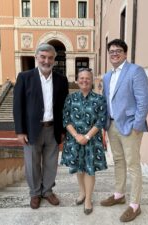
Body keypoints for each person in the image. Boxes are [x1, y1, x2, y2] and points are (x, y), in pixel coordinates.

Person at [100, 39, 148, 222]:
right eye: (111, 51)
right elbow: (107, 102)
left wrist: (137, 126)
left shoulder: (135, 71)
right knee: (119, 161)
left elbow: (144, 100)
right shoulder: (107, 77)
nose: (114, 53)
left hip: (130, 126)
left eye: (118, 50)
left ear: (125, 53)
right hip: (112, 125)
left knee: (133, 164)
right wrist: (105, 127)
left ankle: (135, 205)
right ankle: (119, 194)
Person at [13, 43, 69, 209]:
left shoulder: (61, 80)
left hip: (53, 128)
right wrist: (20, 131)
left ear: (54, 60)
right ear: (37, 57)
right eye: (43, 57)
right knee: (32, 163)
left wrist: (63, 130)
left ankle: (48, 191)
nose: (46, 61)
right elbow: (18, 106)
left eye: (50, 58)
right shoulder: (24, 77)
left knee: (51, 162)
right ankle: (35, 193)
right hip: (31, 130)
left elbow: (64, 107)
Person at [61, 68, 108, 215]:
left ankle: (88, 199)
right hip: (74, 139)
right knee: (79, 168)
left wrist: (86, 137)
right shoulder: (70, 98)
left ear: (92, 80)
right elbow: (66, 119)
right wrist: (76, 136)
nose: (84, 81)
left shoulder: (99, 99)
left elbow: (101, 121)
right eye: (81, 78)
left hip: (92, 140)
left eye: (87, 78)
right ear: (77, 80)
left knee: (89, 169)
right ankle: (82, 193)